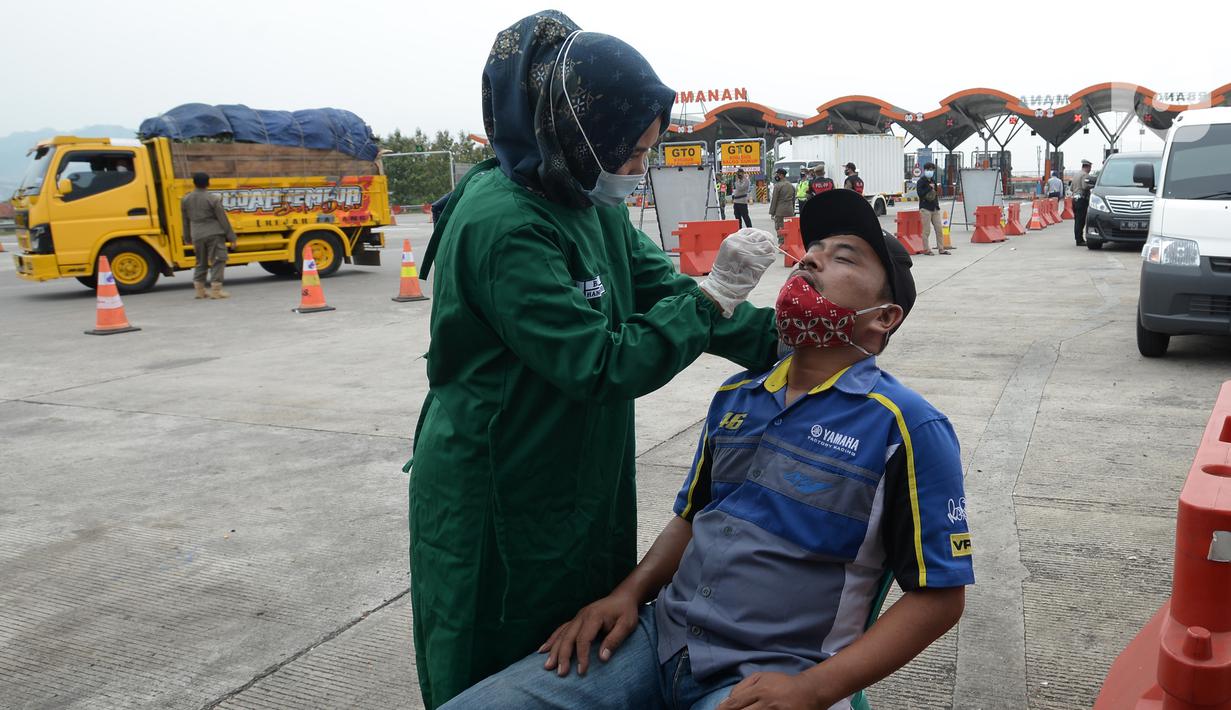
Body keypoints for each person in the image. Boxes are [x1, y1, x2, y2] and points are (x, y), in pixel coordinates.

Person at [442, 189, 973, 710]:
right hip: (659, 638)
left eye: (844, 257)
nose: (810, 258)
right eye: (813, 249)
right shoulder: (738, 396)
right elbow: (692, 518)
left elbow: (940, 597)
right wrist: (627, 594)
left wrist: (816, 689)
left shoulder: (906, 427)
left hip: (774, 672)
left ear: (884, 317)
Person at [408, 12, 782, 709]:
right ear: (575, 133)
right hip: (501, 475)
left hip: (575, 465)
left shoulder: (585, 198)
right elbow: (600, 365)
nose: (637, 170)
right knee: (495, 645)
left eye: (647, 151)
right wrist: (714, 296)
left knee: (586, 637)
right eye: (630, 153)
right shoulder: (505, 223)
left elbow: (666, 291)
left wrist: (784, 338)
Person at [180, 172, 237, 299]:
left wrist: (187, 237)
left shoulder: (185, 199)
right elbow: (223, 219)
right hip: (214, 233)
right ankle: (216, 291)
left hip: (196, 234)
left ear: (194, 183)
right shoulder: (212, 199)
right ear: (208, 183)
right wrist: (232, 237)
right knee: (218, 260)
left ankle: (200, 291)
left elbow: (185, 220)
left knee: (200, 262)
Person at [915, 163, 949, 255]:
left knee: (939, 229)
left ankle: (941, 249)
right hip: (925, 208)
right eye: (929, 169)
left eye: (932, 170)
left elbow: (935, 194)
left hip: (935, 208)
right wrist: (929, 188)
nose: (930, 171)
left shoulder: (933, 181)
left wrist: (937, 205)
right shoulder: (921, 181)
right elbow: (920, 194)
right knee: (926, 230)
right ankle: (927, 250)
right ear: (925, 170)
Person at [1069, 159, 1093, 246]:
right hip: (1082, 200)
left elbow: (1071, 188)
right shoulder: (1085, 175)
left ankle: (1078, 238)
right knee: (1081, 221)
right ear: (1087, 167)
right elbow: (1084, 186)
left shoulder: (1076, 175)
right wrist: (1093, 185)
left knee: (1077, 220)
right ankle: (1080, 240)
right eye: (1090, 168)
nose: (1090, 170)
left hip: (1075, 199)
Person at [768, 167, 795, 239]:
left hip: (780, 211)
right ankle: (788, 242)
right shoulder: (791, 185)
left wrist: (772, 212)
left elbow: (774, 200)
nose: (776, 176)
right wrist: (792, 210)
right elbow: (793, 200)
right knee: (789, 228)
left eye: (777, 174)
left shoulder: (778, 185)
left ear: (781, 175)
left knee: (780, 228)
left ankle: (782, 242)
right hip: (790, 211)